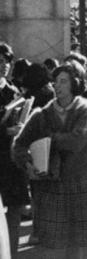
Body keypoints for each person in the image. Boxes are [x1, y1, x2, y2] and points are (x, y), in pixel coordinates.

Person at [12, 61, 87, 258]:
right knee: (53, 246)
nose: (57, 86)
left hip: (80, 182)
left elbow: (77, 140)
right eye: (56, 81)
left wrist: (47, 140)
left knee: (78, 243)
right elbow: (18, 145)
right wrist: (27, 163)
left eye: (63, 81)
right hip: (52, 186)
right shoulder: (41, 115)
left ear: (75, 84)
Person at [0, 43, 29, 256]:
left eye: (7, 62)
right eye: (0, 62)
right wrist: (5, 131)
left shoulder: (14, 92)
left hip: (11, 160)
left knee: (15, 210)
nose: (4, 66)